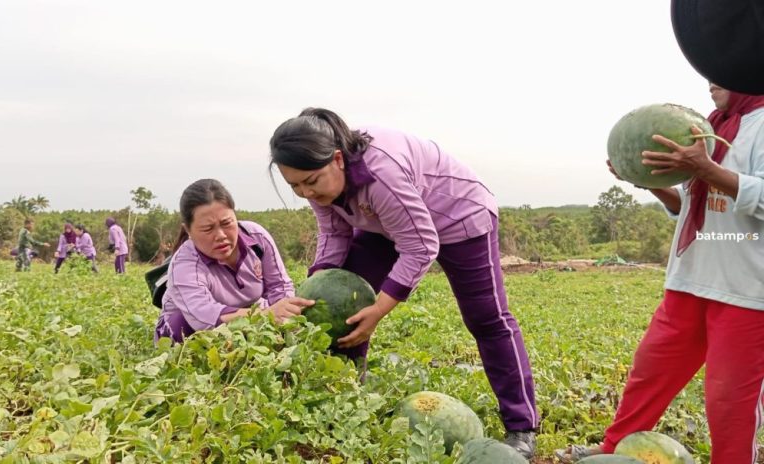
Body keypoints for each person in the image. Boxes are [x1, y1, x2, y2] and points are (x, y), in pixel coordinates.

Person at [269, 108, 538, 458]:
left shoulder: (381, 174)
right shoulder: (321, 184)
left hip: (460, 217)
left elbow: (421, 245)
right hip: (386, 224)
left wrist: (380, 309)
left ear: (337, 159)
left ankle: (522, 426)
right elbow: (334, 232)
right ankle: (344, 403)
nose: (306, 193)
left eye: (312, 181)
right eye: (296, 186)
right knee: (341, 302)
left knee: (486, 319)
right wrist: (319, 284)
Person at [556, 84, 764, 463]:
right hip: (689, 280)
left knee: (730, 401)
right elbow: (691, 203)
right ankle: (614, 450)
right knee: (648, 374)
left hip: (747, 292)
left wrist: (707, 168)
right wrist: (644, 179)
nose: (711, 82)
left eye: (721, 73)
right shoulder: (712, 126)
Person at [153, 179, 314, 344]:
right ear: (188, 230)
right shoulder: (184, 264)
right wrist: (268, 315)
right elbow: (204, 318)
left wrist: (285, 316)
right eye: (208, 229)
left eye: (226, 223)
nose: (221, 235)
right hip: (196, 330)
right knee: (180, 324)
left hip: (250, 320)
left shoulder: (256, 237)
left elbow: (279, 285)